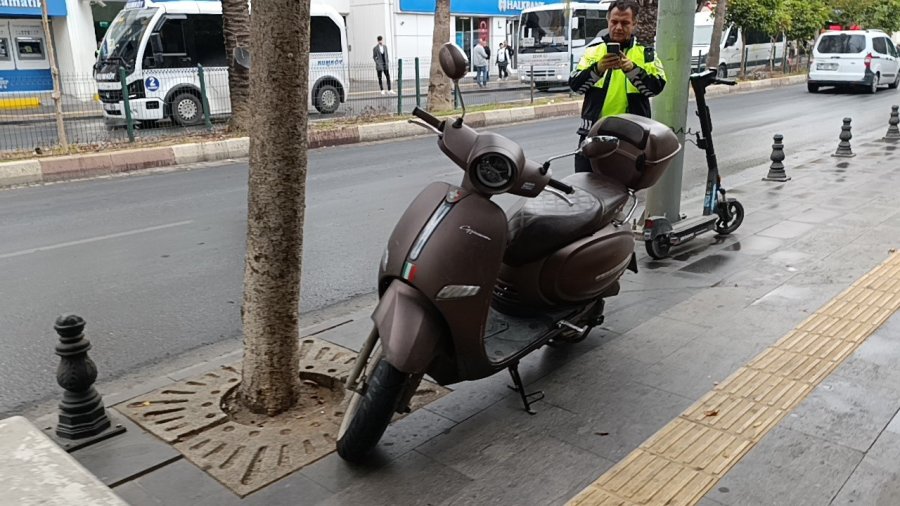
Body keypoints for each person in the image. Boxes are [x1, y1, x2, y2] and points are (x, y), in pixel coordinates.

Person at [568, 0, 666, 173]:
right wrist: (598, 69)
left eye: (625, 23)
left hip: (631, 139)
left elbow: (655, 88)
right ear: (608, 21)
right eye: (614, 22)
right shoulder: (593, 51)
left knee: (623, 194)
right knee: (585, 190)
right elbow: (576, 86)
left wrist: (632, 69)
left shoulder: (646, 53)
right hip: (593, 135)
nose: (618, 27)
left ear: (634, 24)